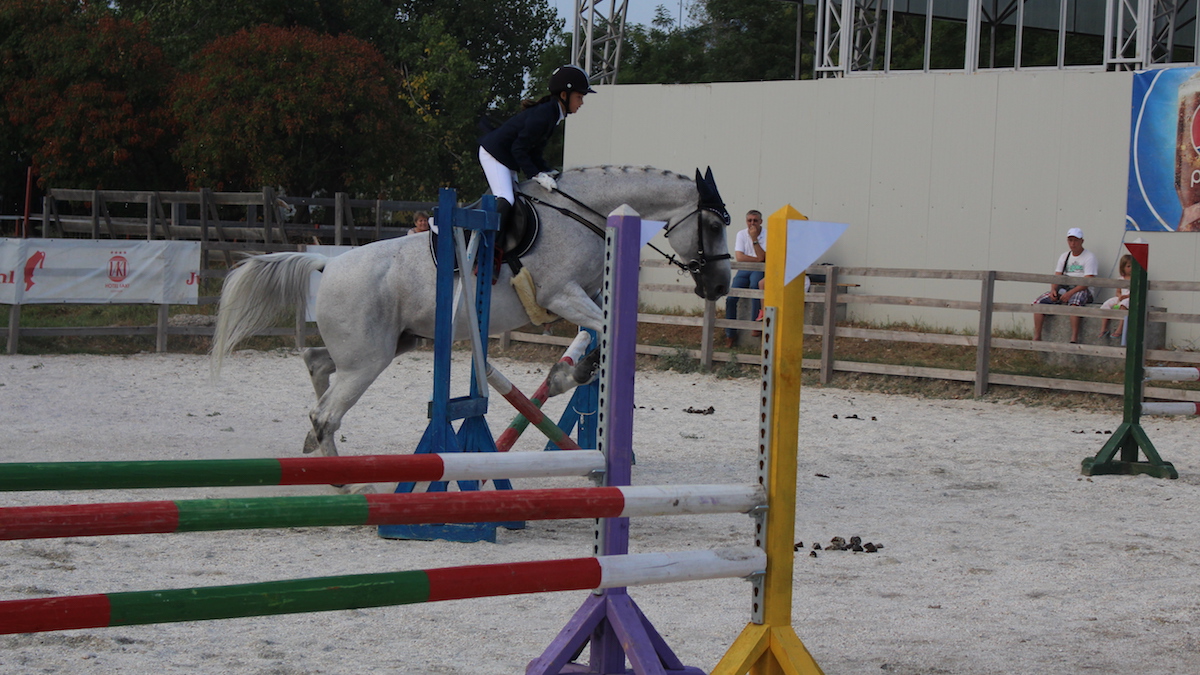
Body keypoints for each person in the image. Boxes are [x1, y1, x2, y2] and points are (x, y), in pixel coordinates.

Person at [478, 64, 595, 237]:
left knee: (517, 199)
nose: (581, 103)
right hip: (494, 154)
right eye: (579, 97)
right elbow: (519, 149)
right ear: (564, 95)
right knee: (506, 198)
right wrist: (537, 175)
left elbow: (535, 152)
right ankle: (482, 245)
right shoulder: (544, 115)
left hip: (505, 156)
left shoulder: (552, 114)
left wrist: (547, 171)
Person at [1032, 227, 1097, 343]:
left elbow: (1088, 281)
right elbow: (1057, 276)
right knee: (1038, 303)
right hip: (1064, 288)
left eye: (1075, 240)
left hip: (1081, 289)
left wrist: (1071, 293)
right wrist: (1053, 290)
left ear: (1082, 241)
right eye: (1070, 240)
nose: (1073, 244)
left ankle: (1074, 337)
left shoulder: (1089, 257)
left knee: (1075, 304)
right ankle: (1037, 335)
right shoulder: (1064, 256)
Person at [725, 210, 766, 347]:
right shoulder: (741, 234)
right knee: (731, 296)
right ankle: (730, 333)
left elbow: (764, 258)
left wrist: (754, 239)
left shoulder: (768, 234)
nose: (752, 223)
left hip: (760, 269)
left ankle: (755, 324)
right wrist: (758, 259)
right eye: (749, 220)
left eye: (755, 220)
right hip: (744, 269)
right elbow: (740, 257)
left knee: (755, 286)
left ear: (760, 221)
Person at [1099, 254, 1133, 339]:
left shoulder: (1135, 279)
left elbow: (1135, 293)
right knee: (1106, 304)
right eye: (1128, 266)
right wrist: (1120, 296)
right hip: (1121, 298)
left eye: (1133, 266)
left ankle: (1120, 329)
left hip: (1129, 299)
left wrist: (1125, 297)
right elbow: (1118, 291)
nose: (1131, 268)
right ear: (1123, 267)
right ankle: (1104, 328)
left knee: (1124, 304)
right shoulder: (1121, 279)